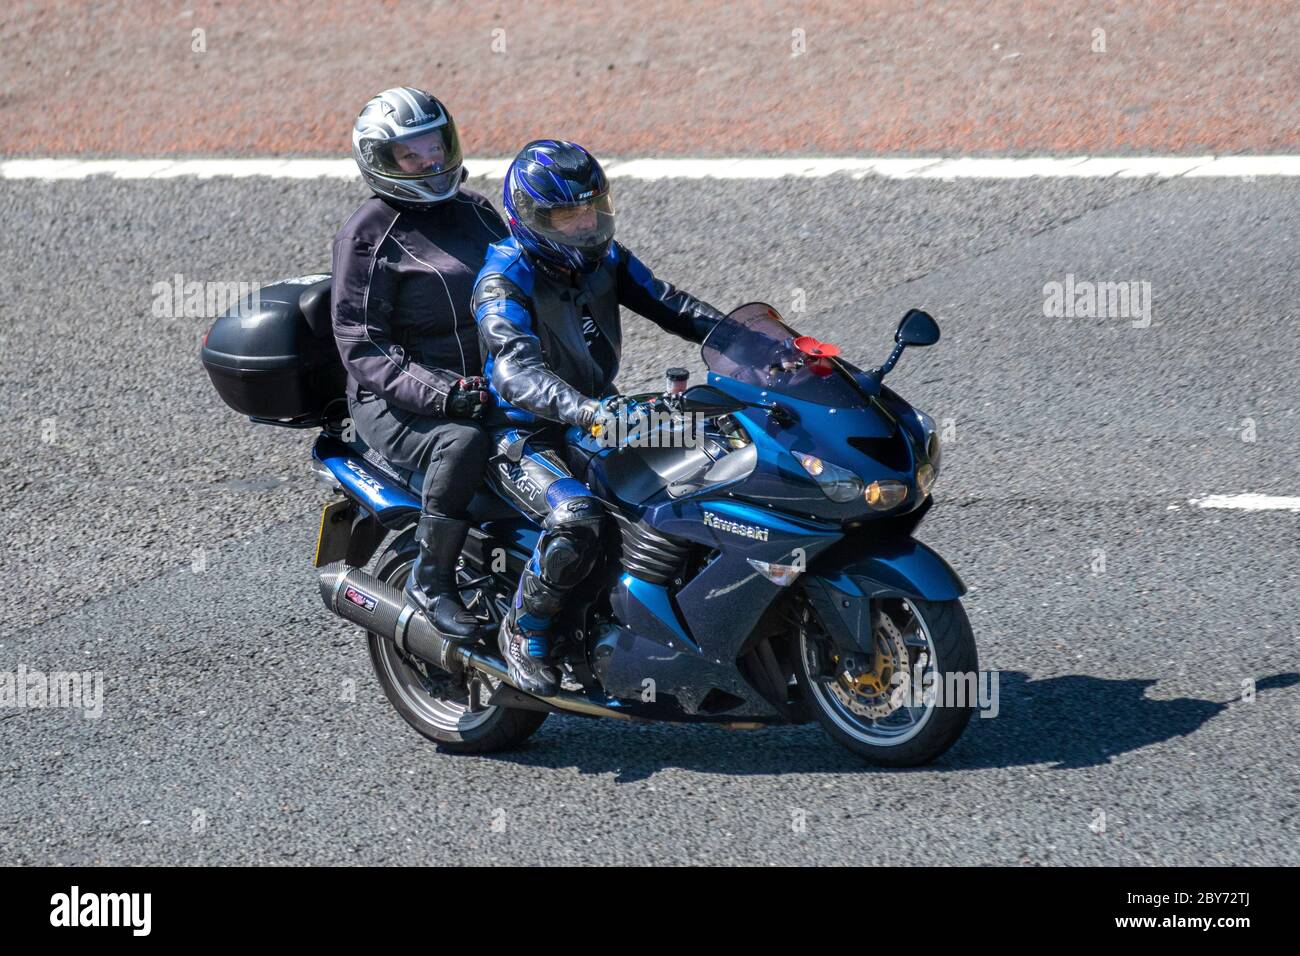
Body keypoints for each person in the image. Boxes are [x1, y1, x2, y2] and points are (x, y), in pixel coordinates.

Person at [472, 140, 725, 696]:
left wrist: (749, 340)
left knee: (705, 461)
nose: (586, 225)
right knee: (578, 517)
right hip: (519, 432)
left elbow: (671, 304)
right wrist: (588, 410)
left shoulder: (604, 258)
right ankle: (526, 629)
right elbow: (515, 374)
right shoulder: (502, 281)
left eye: (592, 209)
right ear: (532, 218)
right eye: (567, 216)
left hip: (597, 415)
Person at [331, 87, 507, 643]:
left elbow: (522, 293)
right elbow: (361, 342)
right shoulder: (366, 235)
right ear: (380, 161)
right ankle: (432, 580)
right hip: (397, 401)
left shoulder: (478, 213)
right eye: (411, 155)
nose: (430, 161)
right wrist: (443, 394)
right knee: (463, 442)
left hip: (486, 386)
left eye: (435, 145)